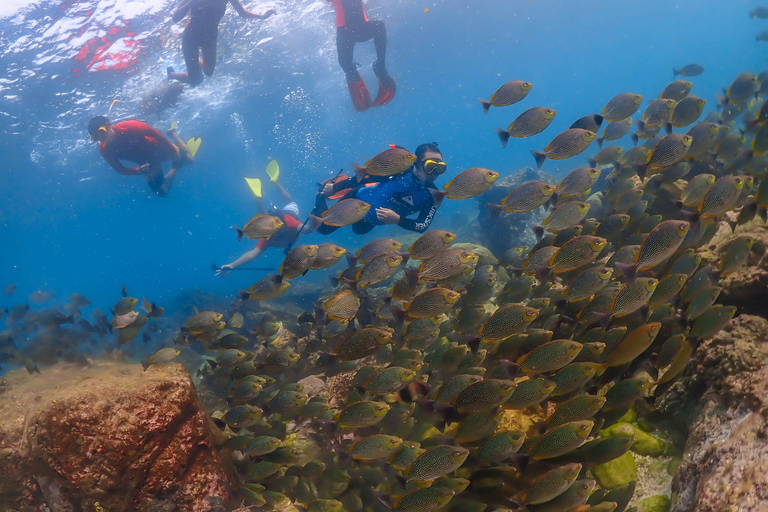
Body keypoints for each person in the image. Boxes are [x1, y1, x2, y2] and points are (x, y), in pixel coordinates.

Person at [312, 143, 446, 234]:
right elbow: (367, 176)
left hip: (369, 220)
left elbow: (422, 226)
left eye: (440, 168)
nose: (435, 172)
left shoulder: (434, 195)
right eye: (431, 166)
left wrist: (397, 220)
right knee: (323, 229)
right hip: (356, 199)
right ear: (417, 162)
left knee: (358, 231)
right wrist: (334, 188)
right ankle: (320, 193)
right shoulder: (400, 171)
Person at [215, 161, 303, 277]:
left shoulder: (281, 228)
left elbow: (308, 228)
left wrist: (319, 221)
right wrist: (232, 265)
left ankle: (266, 191)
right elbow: (252, 255)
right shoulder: (271, 234)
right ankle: (266, 191)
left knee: (287, 206)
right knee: (285, 207)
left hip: (287, 215)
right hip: (284, 216)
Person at [168, 0, 276, 86]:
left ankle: (194, 62)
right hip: (191, 36)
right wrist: (191, 3)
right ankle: (172, 74)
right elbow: (176, 18)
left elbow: (242, 12)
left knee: (209, 72)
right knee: (195, 80)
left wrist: (262, 16)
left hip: (210, 37)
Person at [88, 116, 198, 197]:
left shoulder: (129, 126)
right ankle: (175, 167)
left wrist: (171, 149)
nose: (101, 139)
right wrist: (137, 170)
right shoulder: (104, 149)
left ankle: (172, 133)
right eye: (95, 138)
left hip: (159, 148)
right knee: (162, 192)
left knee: (190, 160)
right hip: (147, 163)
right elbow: (119, 169)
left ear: (109, 124)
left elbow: (155, 134)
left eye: (101, 133)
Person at [327, 0, 395, 111]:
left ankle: (378, 67)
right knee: (345, 64)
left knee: (345, 64)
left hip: (349, 31)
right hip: (352, 30)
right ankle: (378, 68)